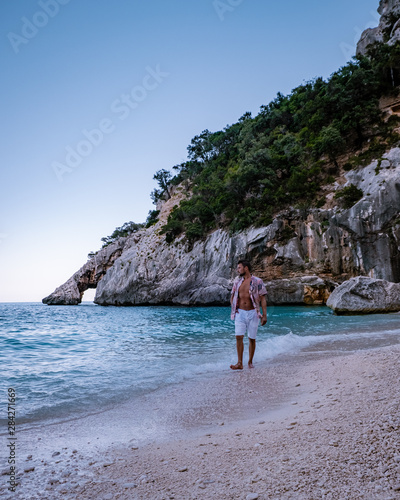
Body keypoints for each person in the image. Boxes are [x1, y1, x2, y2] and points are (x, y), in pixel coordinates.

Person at [230, 260, 267, 370]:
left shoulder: (257, 281)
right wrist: (233, 306)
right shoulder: (237, 282)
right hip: (240, 313)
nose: (238, 270)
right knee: (238, 337)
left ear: (246, 268)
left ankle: (250, 362)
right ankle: (240, 363)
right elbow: (232, 296)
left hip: (253, 313)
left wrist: (264, 315)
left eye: (239, 267)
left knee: (252, 338)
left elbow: (263, 298)